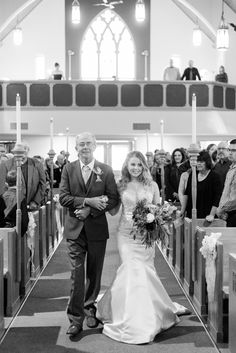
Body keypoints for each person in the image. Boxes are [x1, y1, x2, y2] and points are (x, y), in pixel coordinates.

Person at [97, 151, 188, 344]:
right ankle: (133, 318)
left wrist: (159, 218)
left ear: (144, 166)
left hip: (146, 234)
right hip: (125, 234)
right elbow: (113, 211)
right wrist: (105, 199)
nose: (136, 168)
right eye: (133, 165)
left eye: (139, 165)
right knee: (131, 269)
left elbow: (157, 207)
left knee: (145, 271)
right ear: (126, 166)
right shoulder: (120, 185)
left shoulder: (152, 185)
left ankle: (148, 312)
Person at [59, 132, 119, 337]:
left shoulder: (106, 170)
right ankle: (75, 318)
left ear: (95, 146)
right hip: (74, 229)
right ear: (76, 147)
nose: (84, 147)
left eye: (88, 143)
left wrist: (91, 210)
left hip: (96, 229)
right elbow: (64, 198)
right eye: (81, 144)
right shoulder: (68, 168)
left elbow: (112, 199)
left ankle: (89, 307)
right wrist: (87, 201)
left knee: (94, 272)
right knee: (77, 274)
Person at [0, 141, 46, 210]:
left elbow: (42, 184)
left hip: (32, 205)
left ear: (28, 151)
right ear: (15, 151)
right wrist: (10, 203)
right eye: (20, 149)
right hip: (11, 207)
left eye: (25, 149)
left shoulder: (37, 164)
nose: (23, 152)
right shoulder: (6, 165)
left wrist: (36, 201)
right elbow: (2, 186)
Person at [180, 150, 221, 221]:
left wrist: (211, 215)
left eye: (201, 162)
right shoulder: (192, 174)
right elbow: (186, 194)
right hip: (191, 214)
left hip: (207, 215)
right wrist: (182, 211)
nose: (198, 164)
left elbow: (217, 198)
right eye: (197, 161)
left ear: (207, 162)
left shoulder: (215, 177)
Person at [1, 170, 29, 235]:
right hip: (14, 232)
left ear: (6, 184)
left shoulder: (2, 197)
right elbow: (24, 221)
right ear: (20, 183)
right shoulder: (21, 198)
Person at [217, 139, 236, 226]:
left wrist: (221, 209)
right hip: (228, 212)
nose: (231, 153)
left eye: (234, 150)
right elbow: (226, 192)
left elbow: (234, 197)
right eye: (229, 150)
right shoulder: (231, 168)